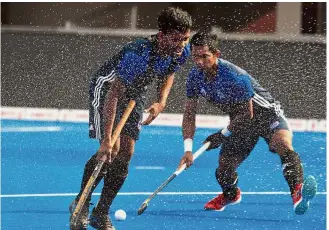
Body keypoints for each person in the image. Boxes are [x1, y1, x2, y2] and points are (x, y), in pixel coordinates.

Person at [69, 7, 192, 230]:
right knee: (111, 150)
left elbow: (168, 73)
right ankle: (81, 202)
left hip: (135, 92)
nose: (182, 44)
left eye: (185, 38)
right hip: (107, 90)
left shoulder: (180, 51)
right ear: (162, 35)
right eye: (176, 39)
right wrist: (106, 138)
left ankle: (101, 212)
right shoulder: (139, 53)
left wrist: (161, 101)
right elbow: (114, 93)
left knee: (126, 153)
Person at [178, 32, 317, 215]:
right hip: (240, 122)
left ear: (216, 54)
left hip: (265, 115)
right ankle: (231, 194)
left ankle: (297, 192)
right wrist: (188, 149)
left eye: (205, 56)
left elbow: (247, 113)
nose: (199, 62)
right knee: (224, 170)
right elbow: (189, 114)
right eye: (195, 56)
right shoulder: (194, 77)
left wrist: (222, 135)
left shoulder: (235, 76)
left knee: (281, 144)